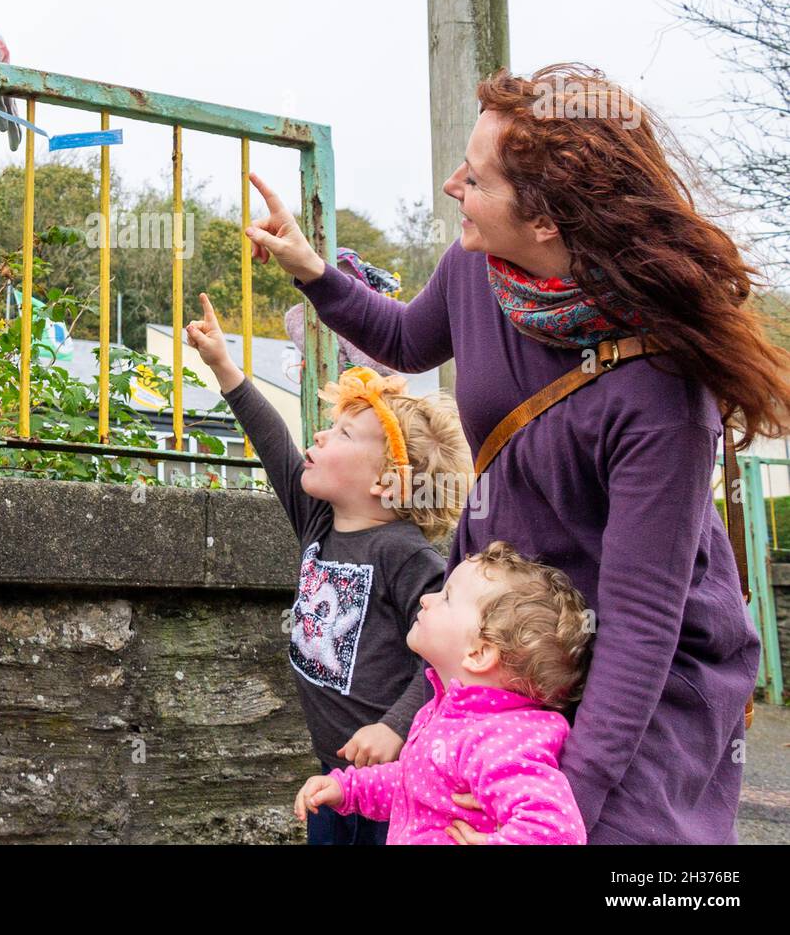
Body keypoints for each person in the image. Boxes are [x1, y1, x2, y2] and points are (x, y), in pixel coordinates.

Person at [245, 62, 790, 844]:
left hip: (645, 670)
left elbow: (639, 627)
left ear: (546, 222)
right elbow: (405, 336)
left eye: (478, 176)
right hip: (516, 642)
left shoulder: (663, 389)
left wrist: (560, 809)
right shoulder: (480, 268)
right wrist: (313, 271)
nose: (451, 181)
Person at [185, 292, 472, 844]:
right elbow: (274, 443)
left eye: (342, 434)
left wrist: (395, 726)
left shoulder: (405, 554)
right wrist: (224, 364)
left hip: (397, 788)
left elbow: (448, 659)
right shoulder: (319, 522)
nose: (318, 436)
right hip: (335, 780)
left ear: (385, 481)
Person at [294, 541, 591, 845]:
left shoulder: (498, 741)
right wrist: (349, 790)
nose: (426, 599)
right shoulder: (448, 716)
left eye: (447, 598)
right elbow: (412, 781)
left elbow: (556, 830)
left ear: (479, 653)